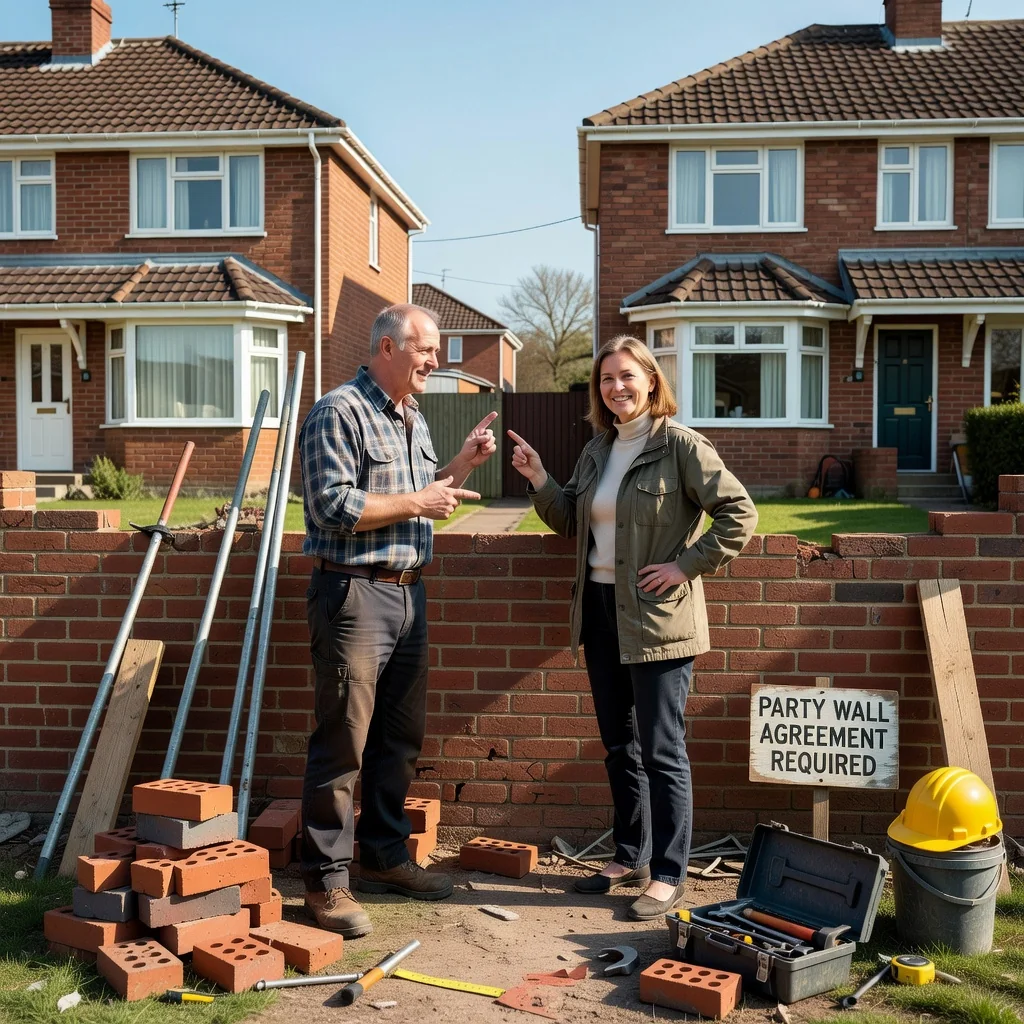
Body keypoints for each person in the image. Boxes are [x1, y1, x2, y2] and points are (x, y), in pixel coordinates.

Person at [508, 335, 757, 920]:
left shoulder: (681, 447)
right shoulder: (597, 449)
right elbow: (570, 519)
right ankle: (630, 854)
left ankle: (670, 873)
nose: (615, 387)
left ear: (651, 380)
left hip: (658, 618)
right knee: (620, 746)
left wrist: (685, 565)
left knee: (662, 750)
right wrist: (540, 476)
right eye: (605, 379)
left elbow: (738, 513)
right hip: (597, 612)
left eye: (626, 376)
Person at [298, 303, 497, 937]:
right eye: (428, 351)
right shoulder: (338, 411)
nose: (437, 362)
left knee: (398, 738)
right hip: (355, 595)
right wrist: (421, 497)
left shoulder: (409, 415)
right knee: (343, 741)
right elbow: (331, 506)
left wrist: (459, 468)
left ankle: (383, 856)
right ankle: (326, 885)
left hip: (410, 595)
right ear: (388, 347)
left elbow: (417, 495)